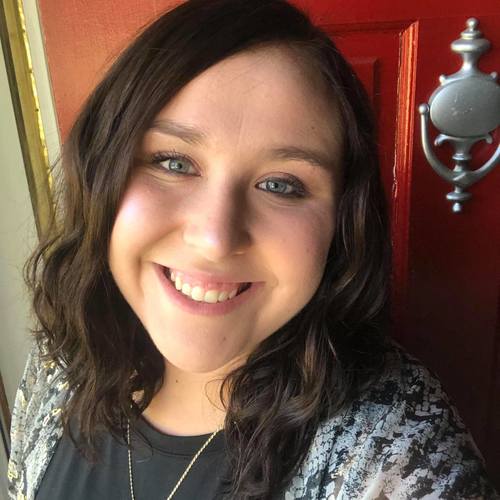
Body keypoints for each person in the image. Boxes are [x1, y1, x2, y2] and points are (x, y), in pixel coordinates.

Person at [6, 0, 499, 499]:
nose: (216, 238)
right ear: (101, 170)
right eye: (174, 162)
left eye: (281, 185)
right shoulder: (61, 362)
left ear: (342, 223)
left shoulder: (397, 456)